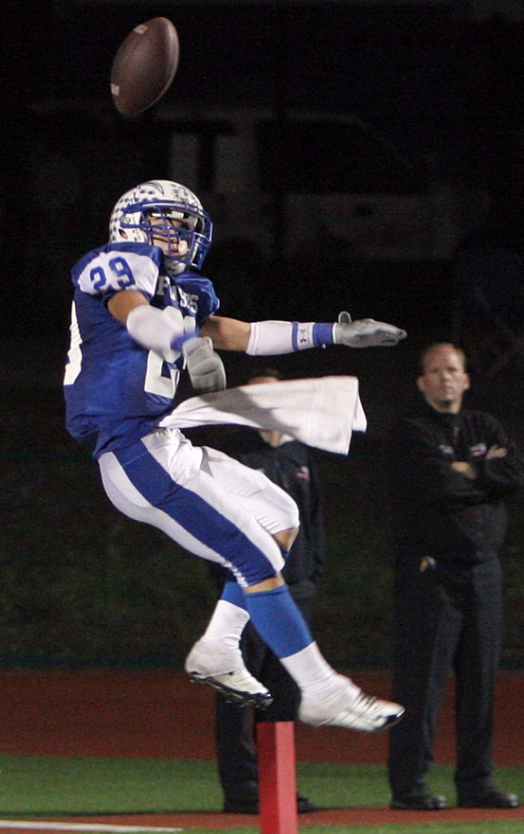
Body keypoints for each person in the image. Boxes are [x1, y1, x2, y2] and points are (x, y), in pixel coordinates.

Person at [63, 178, 405, 733]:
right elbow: (132, 312)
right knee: (257, 561)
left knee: (281, 519)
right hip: (131, 449)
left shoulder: (186, 288)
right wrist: (180, 343)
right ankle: (321, 689)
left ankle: (219, 646)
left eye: (186, 225)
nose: (178, 234)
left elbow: (241, 334)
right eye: (166, 221)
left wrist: (335, 335)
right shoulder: (122, 263)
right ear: (133, 223)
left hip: (161, 439)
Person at [387, 342, 523, 810]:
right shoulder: (411, 431)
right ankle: (409, 786)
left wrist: (471, 471)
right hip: (432, 571)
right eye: (435, 371)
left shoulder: (483, 424)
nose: (445, 378)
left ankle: (476, 780)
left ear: (465, 378)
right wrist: (485, 474)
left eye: (452, 370)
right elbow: (438, 484)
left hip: (483, 569)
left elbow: (516, 472)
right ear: (422, 382)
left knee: (481, 680)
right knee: (422, 683)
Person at [204, 372, 324, 815]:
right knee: (240, 688)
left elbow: (313, 523)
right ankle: (242, 787)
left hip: (295, 591)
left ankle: (278, 786)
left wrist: (311, 576)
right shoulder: (230, 457)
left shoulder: (299, 453)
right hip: (248, 590)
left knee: (285, 690)